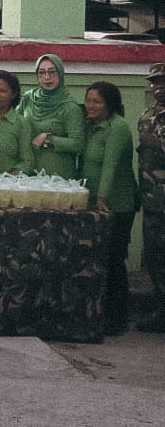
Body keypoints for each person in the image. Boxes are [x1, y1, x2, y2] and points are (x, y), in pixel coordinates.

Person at [80, 81, 139, 336]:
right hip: (93, 204)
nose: (91, 106)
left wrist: (102, 200)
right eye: (88, 100)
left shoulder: (118, 127)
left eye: (97, 102)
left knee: (113, 260)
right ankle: (97, 313)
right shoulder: (90, 127)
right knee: (96, 260)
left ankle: (117, 319)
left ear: (110, 104)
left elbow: (110, 166)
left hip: (117, 205)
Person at [19, 54, 84, 179]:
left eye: (52, 72)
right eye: (41, 73)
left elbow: (78, 144)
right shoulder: (29, 98)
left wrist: (48, 138)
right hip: (29, 171)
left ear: (60, 74)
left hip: (58, 174)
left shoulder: (69, 107)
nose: (47, 78)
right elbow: (16, 124)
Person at [136, 63, 165, 332]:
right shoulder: (149, 114)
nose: (158, 87)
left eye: (163, 82)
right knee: (155, 257)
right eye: (155, 82)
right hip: (152, 198)